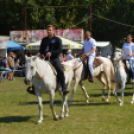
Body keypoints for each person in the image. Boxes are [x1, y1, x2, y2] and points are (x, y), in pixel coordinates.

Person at [39, 24, 69, 95]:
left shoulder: (58, 40)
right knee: (36, 69)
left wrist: (51, 53)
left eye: (50, 30)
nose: (48, 31)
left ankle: (63, 87)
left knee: (60, 70)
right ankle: (34, 87)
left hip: (54, 59)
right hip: (45, 59)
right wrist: (42, 53)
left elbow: (60, 50)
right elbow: (41, 49)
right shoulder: (44, 40)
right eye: (48, 30)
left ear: (53, 31)